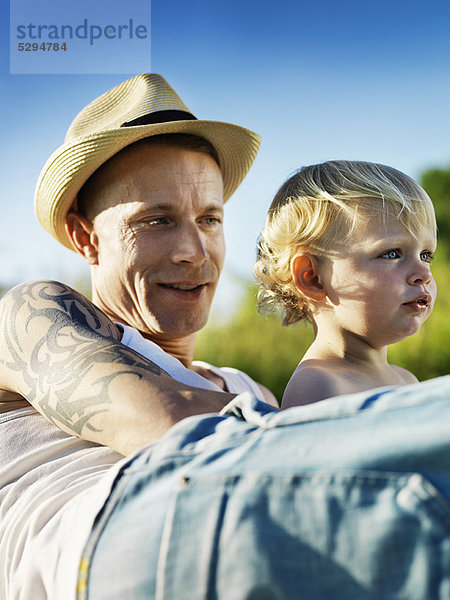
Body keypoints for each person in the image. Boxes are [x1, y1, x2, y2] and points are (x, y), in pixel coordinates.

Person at [254, 160, 437, 408]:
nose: (423, 273)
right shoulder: (319, 384)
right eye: (392, 253)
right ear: (313, 278)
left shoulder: (406, 379)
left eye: (426, 255)